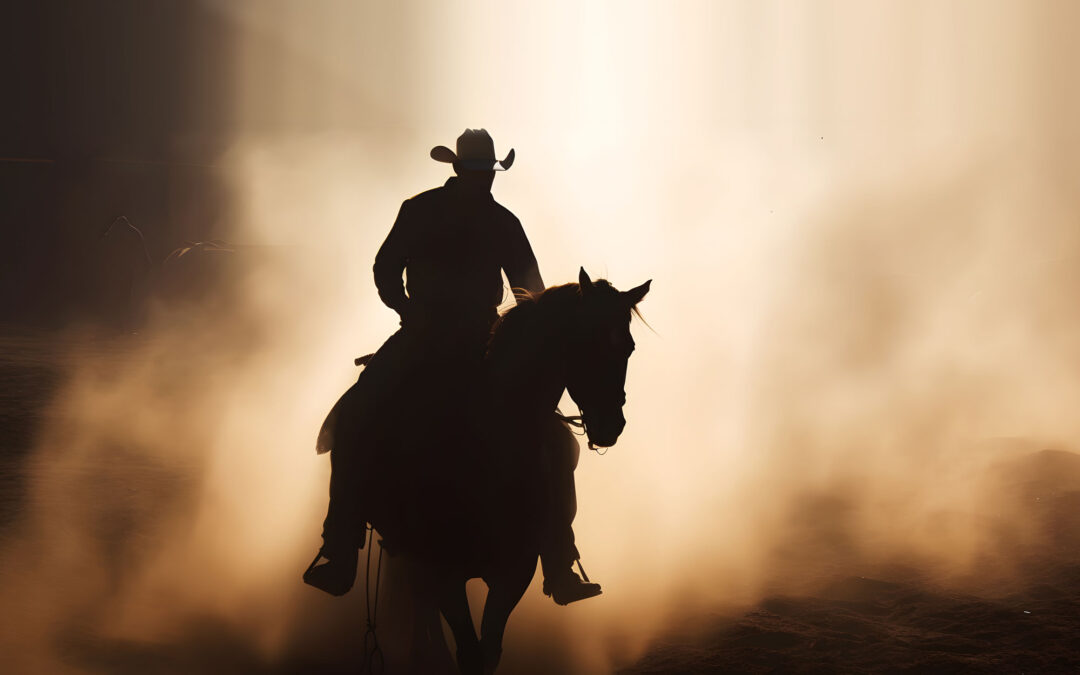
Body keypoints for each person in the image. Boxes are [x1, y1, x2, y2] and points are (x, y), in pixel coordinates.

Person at [305, 129, 601, 605]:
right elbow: (388, 268)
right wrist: (406, 310)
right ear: (462, 171)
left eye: (489, 175)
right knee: (356, 417)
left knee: (554, 441)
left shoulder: (467, 217)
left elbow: (532, 291)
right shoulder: (445, 213)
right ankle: (340, 546)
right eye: (480, 173)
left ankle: (559, 561)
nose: (485, 182)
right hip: (434, 335)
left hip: (467, 338)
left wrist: (413, 309)